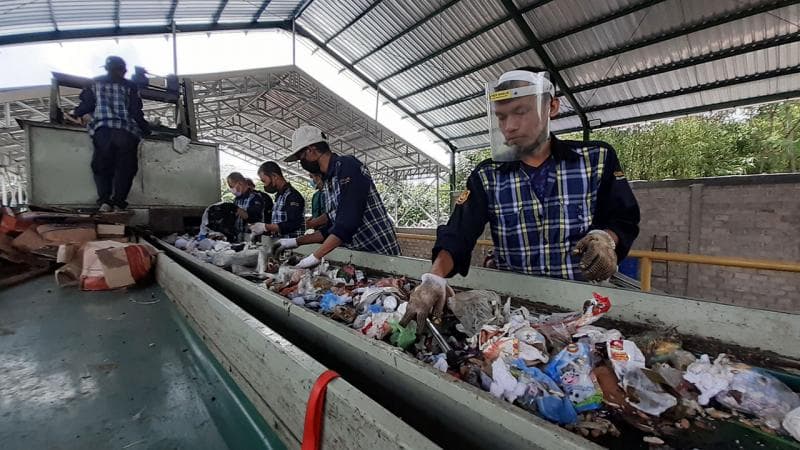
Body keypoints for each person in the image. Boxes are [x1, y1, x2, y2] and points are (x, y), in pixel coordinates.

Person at [401, 67, 640, 327]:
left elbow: (623, 218)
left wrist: (607, 239)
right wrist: (434, 278)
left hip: (585, 310)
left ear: (552, 107)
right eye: (501, 117)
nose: (509, 126)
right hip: (516, 315)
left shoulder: (596, 160)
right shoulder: (487, 176)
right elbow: (458, 233)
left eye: (520, 112)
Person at [272, 125, 400, 268]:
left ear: (311, 150)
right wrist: (295, 242)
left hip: (383, 256)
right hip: (361, 258)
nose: (302, 163)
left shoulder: (347, 166)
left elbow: (347, 221)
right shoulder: (328, 182)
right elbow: (332, 228)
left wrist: (315, 257)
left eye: (301, 158)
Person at [72, 56, 150, 212]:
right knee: (125, 168)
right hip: (126, 132)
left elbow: (86, 105)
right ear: (123, 70)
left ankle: (105, 202)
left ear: (107, 69)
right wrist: (146, 129)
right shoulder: (130, 86)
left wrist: (75, 113)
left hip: (103, 132)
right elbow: (135, 111)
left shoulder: (94, 83)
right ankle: (118, 203)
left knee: (102, 167)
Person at [249, 162, 305, 238]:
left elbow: (293, 224)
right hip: (280, 241)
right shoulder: (279, 196)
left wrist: (266, 227)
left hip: (291, 242)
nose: (264, 185)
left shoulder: (292, 195)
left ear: (274, 176)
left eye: (264, 181)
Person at [226, 172, 266, 240]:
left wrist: (236, 209)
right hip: (239, 237)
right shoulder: (237, 200)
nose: (231, 189)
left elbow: (252, 218)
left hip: (253, 237)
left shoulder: (255, 198)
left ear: (240, 183)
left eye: (231, 186)